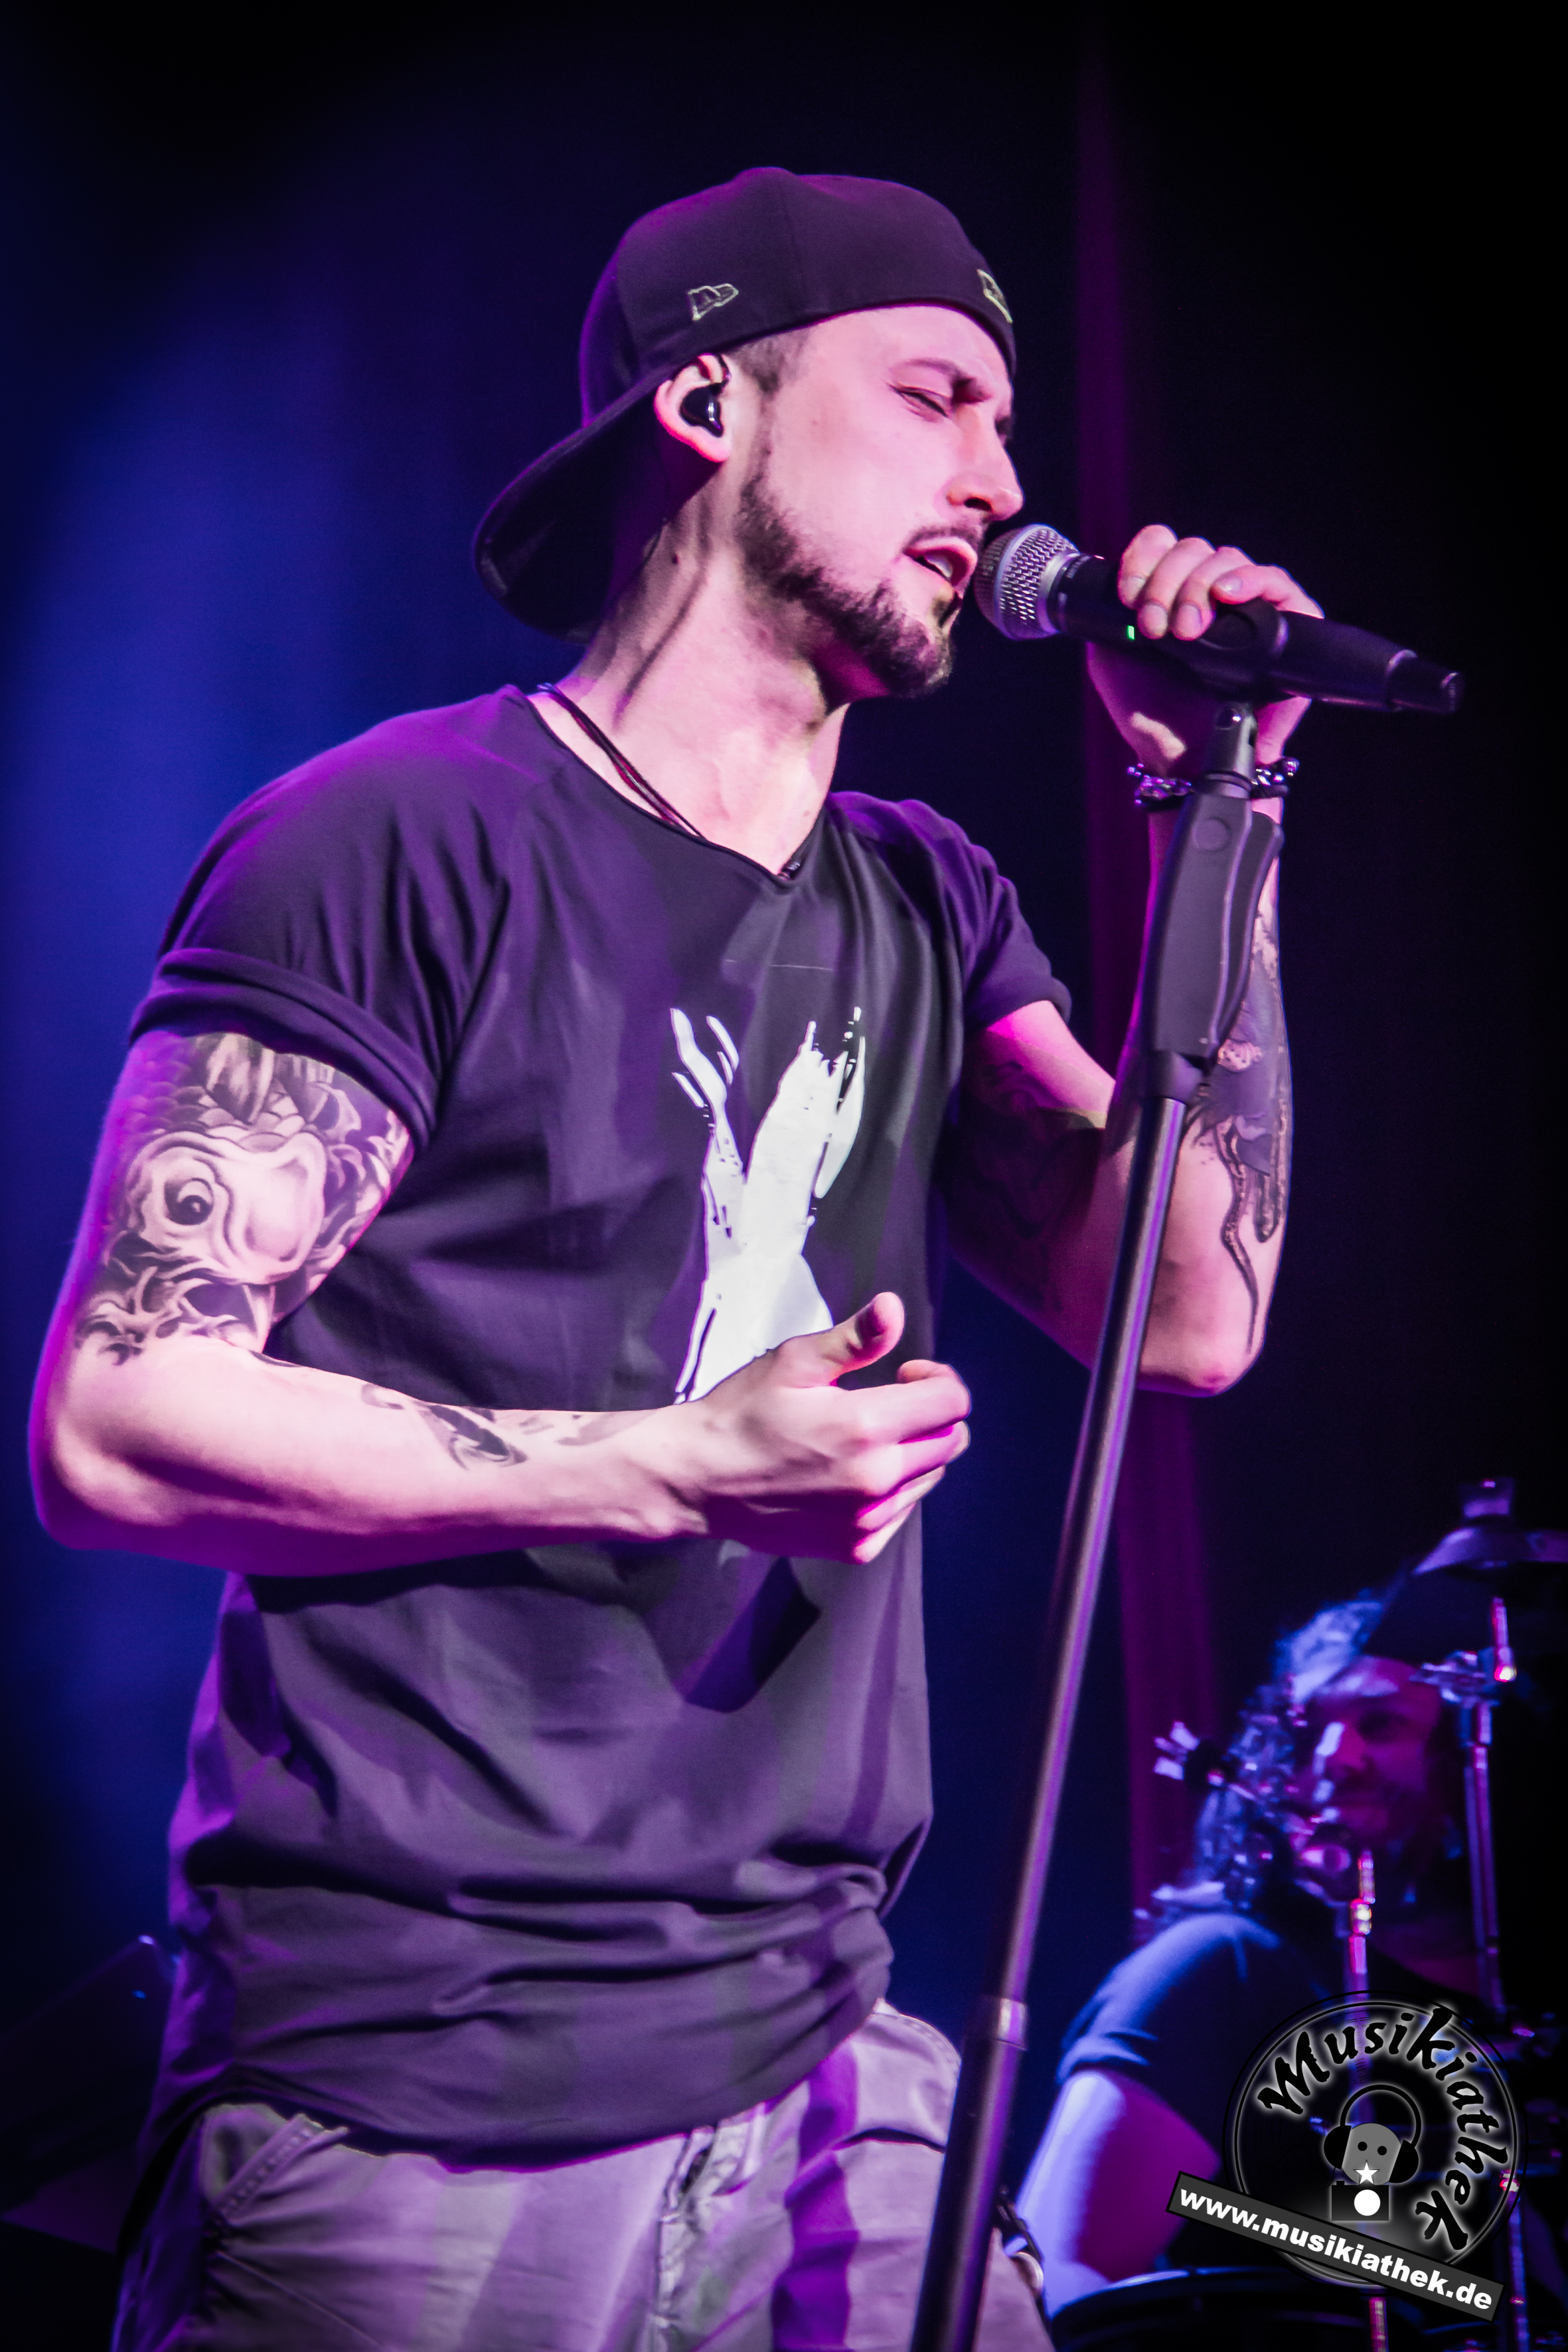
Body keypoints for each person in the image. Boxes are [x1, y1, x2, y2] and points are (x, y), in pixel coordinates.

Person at [31, 167, 1308, 2350]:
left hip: (824, 2055)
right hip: (414, 2083)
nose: (1002, 487)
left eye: (1006, 424)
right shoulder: (394, 839)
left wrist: (1229, 812)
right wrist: (675, 1462)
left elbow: (1186, 1311)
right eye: (933, 398)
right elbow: (119, 1421)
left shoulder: (925, 902)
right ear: (709, 404)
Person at [1014, 1577, 1554, 2322]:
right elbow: (1061, 2277)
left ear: (1481, 1757)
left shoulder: (1529, 1992)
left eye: (1381, 1724)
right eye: (1305, 1736)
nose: (1333, 1760)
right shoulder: (1220, 1970)